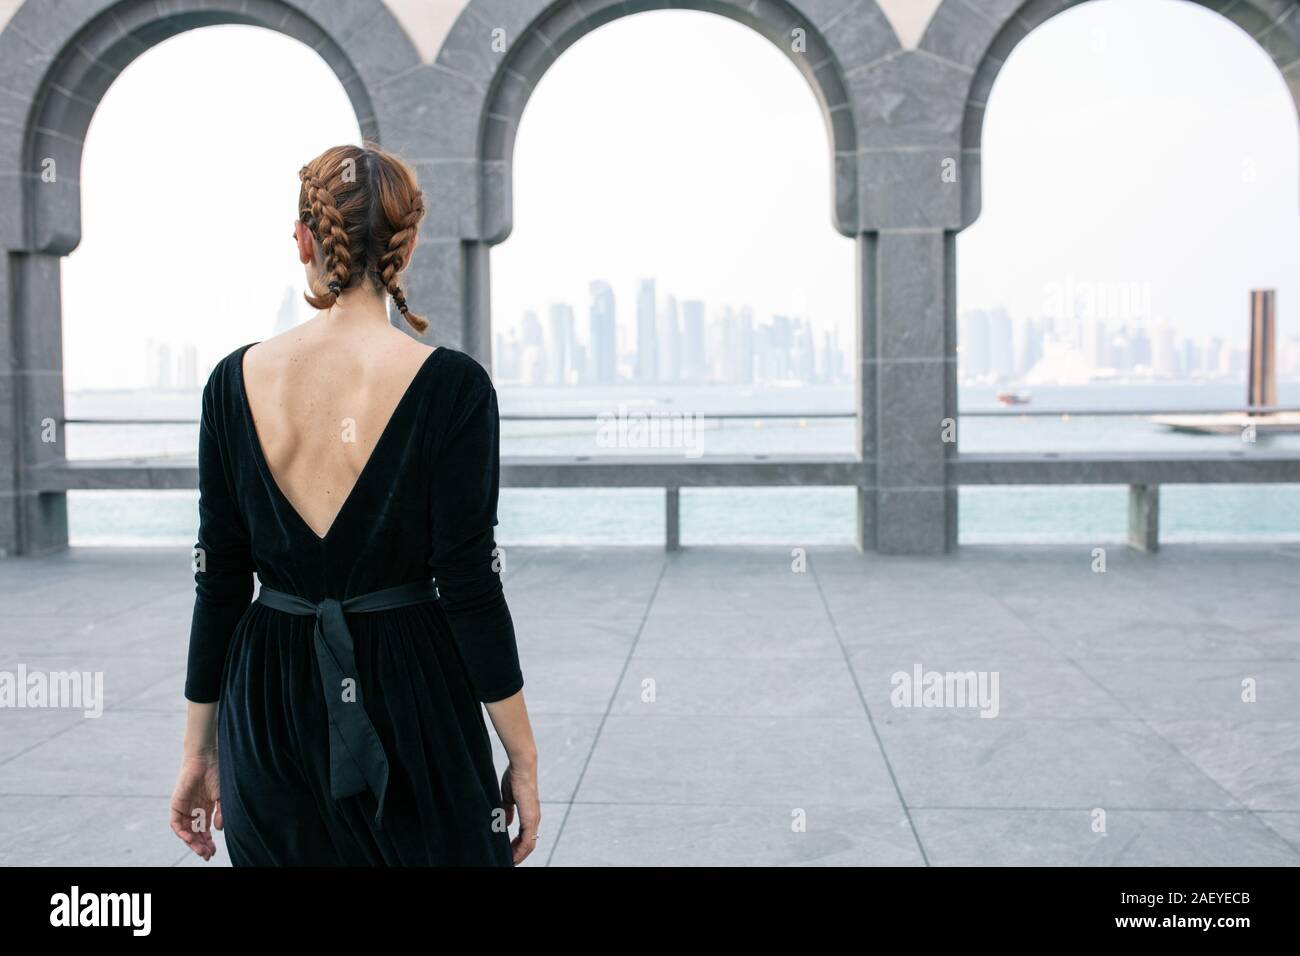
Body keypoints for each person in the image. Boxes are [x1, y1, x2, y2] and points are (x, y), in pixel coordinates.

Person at [167, 143, 539, 866]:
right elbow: (470, 588)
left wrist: (197, 751)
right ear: (406, 244)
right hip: (413, 687)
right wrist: (519, 754)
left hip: (269, 699)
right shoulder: (454, 386)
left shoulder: (230, 383)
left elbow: (218, 586)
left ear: (303, 238)